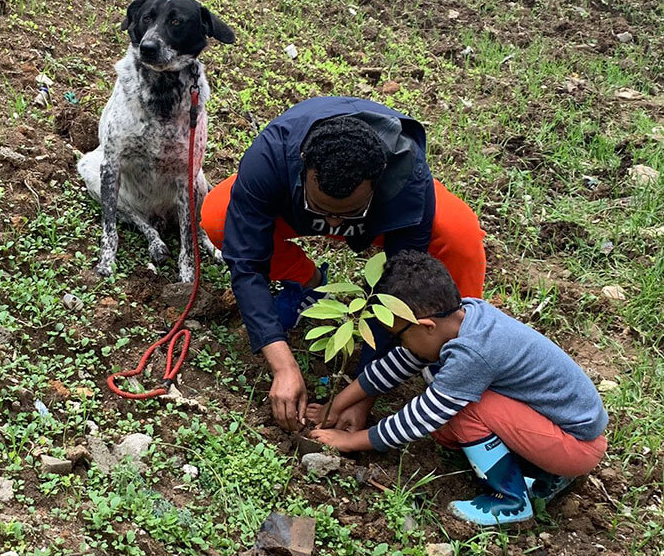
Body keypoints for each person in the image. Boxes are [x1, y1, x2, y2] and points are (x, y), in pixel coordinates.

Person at [200, 97, 486, 432]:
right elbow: (246, 262)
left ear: (377, 182)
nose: (333, 227)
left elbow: (401, 280)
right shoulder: (270, 157)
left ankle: (458, 338)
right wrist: (283, 366)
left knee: (459, 235)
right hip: (293, 211)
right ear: (304, 169)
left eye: (347, 213)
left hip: (382, 218)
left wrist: (364, 394)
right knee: (219, 216)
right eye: (322, 209)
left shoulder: (406, 176)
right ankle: (307, 281)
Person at [307, 250, 608, 526]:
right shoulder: (465, 315)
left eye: (398, 336)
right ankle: (546, 476)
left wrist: (351, 441)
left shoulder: (473, 353)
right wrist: (336, 408)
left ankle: (513, 501)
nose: (398, 345)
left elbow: (423, 416)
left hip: (576, 445)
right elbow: (395, 365)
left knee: (463, 411)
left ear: (426, 326)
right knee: (450, 421)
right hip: (564, 428)